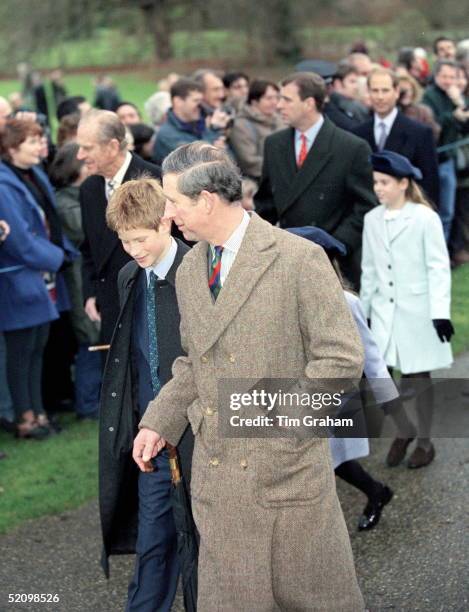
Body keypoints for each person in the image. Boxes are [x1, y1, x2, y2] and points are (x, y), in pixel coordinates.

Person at [133, 142, 365, 611]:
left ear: (207, 200)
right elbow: (195, 360)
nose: (167, 214)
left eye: (173, 201)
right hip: (218, 480)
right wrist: (159, 420)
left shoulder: (298, 258)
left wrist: (276, 430)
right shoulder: (191, 267)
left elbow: (340, 361)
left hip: (286, 474)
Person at [101, 178, 193, 611]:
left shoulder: (198, 272)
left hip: (199, 434)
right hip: (150, 439)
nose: (134, 250)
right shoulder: (128, 277)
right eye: (124, 241)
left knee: (203, 546)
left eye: (140, 239)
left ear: (166, 224)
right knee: (153, 542)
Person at [287, 226, 397, 532]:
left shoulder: (345, 303)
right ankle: (375, 492)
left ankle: (369, 496)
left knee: (327, 460)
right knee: (322, 460)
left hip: (335, 396)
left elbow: (370, 352)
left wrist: (387, 394)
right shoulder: (287, 301)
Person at [361, 151, 454, 468]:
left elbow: (438, 267)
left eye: (385, 182)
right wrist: (365, 312)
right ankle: (405, 428)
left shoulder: (424, 217)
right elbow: (369, 270)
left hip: (417, 313)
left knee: (418, 376)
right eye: (375, 182)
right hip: (384, 315)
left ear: (403, 183)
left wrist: (440, 313)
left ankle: (425, 443)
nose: (378, 188)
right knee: (380, 377)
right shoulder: (371, 219)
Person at [255, 71, 377, 287]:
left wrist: (336, 243)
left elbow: (365, 206)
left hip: (335, 263)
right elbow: (266, 204)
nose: (279, 105)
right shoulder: (274, 144)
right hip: (287, 258)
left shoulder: (351, 147)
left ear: (309, 103)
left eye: (286, 99)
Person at [0, 119, 70, 438]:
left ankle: (39, 412)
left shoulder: (35, 174)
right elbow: (19, 239)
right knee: (21, 350)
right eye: (32, 141)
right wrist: (58, 258)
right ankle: (25, 418)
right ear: (12, 148)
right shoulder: (3, 183)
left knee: (38, 345)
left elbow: (49, 220)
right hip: (19, 277)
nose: (40, 146)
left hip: (41, 272)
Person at [77, 109, 161, 345]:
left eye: (87, 148)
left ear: (113, 146)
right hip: (111, 312)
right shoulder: (89, 189)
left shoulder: (157, 182)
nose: (80, 155)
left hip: (151, 310)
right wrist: (91, 293)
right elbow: (89, 249)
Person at [50, 143, 101, 420]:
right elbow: (86, 230)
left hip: (86, 276)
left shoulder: (77, 195)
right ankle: (88, 404)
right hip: (78, 280)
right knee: (89, 341)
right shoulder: (64, 200)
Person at [354, 67, 440, 206]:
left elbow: (430, 183)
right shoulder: (357, 133)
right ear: (368, 93)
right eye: (375, 91)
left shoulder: (419, 133)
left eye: (385, 90)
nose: (380, 97)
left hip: (407, 215)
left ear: (396, 92)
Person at [422, 59, 469, 241]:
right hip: (435, 159)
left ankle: (446, 253)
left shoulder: (453, 95)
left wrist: (459, 103)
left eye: (452, 77)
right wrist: (453, 116)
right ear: (436, 76)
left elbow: (463, 127)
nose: (448, 81)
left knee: (448, 211)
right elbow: (433, 127)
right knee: (436, 210)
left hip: (449, 159)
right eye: (444, 76)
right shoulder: (429, 96)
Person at [153, 78, 222, 166]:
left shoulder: (201, 124)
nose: (201, 106)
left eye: (201, 101)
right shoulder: (167, 134)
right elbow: (199, 162)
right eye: (196, 101)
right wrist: (213, 133)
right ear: (178, 101)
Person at [228, 79, 283, 181]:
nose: (274, 102)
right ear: (254, 101)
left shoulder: (281, 120)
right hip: (258, 182)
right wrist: (283, 167)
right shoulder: (241, 125)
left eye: (277, 98)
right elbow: (249, 161)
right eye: (269, 98)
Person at [397, 73, 441, 142]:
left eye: (408, 90)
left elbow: (434, 133)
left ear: (413, 91)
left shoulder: (423, 111)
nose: (405, 94)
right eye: (402, 90)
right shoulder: (392, 112)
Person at [327, 62, 370, 130]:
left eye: (356, 82)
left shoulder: (328, 103)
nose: (356, 87)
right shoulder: (351, 107)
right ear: (338, 83)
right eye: (352, 82)